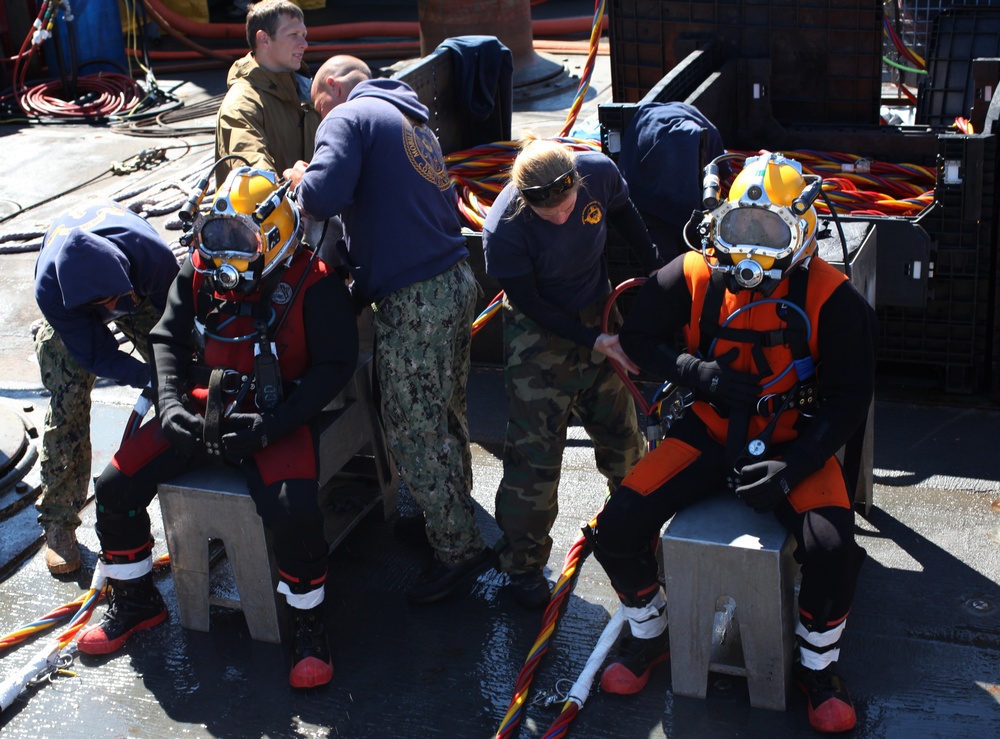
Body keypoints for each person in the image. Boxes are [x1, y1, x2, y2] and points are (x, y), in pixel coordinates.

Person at [587, 152, 874, 734]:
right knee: (615, 528)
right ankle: (650, 633)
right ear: (719, 223)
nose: (752, 250)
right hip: (709, 428)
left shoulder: (835, 299)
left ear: (802, 231)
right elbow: (639, 337)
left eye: (770, 232)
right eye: (740, 230)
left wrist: (793, 469)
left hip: (793, 439)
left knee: (831, 549)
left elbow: (847, 402)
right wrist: (697, 373)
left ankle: (817, 667)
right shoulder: (690, 274)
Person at [76, 167, 359, 690]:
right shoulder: (199, 271)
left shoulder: (314, 282)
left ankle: (308, 625)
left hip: (275, 413)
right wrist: (170, 402)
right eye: (218, 236)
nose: (226, 252)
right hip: (201, 406)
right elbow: (167, 339)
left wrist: (275, 424)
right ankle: (137, 602)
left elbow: (335, 365)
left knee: (293, 511)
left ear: (272, 236)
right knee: (115, 487)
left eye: (241, 239)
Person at [284, 55, 493, 605]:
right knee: (446, 413)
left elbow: (323, 198)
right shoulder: (412, 121)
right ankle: (447, 519)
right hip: (454, 278)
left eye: (316, 106)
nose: (318, 116)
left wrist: (303, 178)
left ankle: (458, 549)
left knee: (412, 428)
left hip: (416, 299)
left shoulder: (346, 119)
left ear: (330, 87)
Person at [481, 137, 664, 609]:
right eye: (549, 215)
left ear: (578, 183)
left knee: (624, 439)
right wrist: (592, 343)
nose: (561, 218)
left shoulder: (598, 172)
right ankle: (523, 567)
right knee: (534, 461)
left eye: (567, 207)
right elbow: (529, 303)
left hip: (599, 311)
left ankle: (636, 534)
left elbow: (623, 212)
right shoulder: (504, 230)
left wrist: (657, 272)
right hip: (538, 334)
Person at [33, 200, 179, 576]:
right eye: (103, 305)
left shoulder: (153, 257)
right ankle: (58, 520)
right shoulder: (52, 289)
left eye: (113, 301)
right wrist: (148, 377)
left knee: (184, 373)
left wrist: (169, 373)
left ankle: (195, 480)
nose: (112, 309)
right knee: (67, 400)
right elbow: (98, 356)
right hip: (76, 307)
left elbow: (180, 328)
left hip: (137, 285)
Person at [214, 0, 318, 188]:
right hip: (273, 214)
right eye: (293, 35)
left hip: (311, 211)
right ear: (264, 39)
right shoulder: (241, 105)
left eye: (303, 35)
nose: (304, 44)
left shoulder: (307, 90)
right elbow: (253, 174)